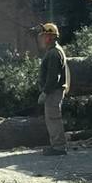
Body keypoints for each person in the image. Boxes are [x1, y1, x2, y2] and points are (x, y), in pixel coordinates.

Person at [37, 22, 70, 156]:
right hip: (54, 91)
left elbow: (53, 77)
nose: (43, 39)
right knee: (52, 118)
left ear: (50, 37)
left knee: (53, 118)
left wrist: (45, 92)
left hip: (53, 92)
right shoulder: (55, 51)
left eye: (44, 36)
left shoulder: (53, 54)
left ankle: (59, 147)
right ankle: (57, 145)